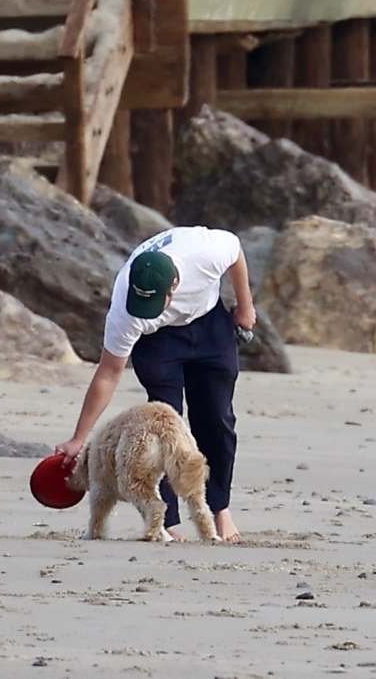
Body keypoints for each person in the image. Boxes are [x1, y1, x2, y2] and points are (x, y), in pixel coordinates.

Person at [54, 226, 257, 544]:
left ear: (174, 286)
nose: (142, 311)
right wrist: (78, 438)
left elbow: (236, 252)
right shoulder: (126, 309)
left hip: (208, 323)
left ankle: (219, 507)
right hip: (158, 342)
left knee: (217, 417)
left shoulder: (206, 251)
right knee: (163, 427)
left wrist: (245, 307)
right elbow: (108, 373)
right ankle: (167, 522)